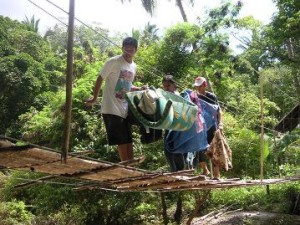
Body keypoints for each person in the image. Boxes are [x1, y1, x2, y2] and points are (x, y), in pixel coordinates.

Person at [85, 37, 145, 162]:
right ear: (122, 48)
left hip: (124, 108)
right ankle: (126, 170)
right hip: (111, 107)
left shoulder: (133, 66)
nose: (129, 51)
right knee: (121, 141)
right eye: (126, 48)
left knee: (128, 140)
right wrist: (95, 98)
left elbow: (127, 85)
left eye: (131, 49)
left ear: (136, 50)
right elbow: (100, 78)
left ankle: (132, 170)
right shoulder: (113, 61)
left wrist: (140, 88)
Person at [193, 76, 223, 176]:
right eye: (197, 86)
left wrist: (220, 124)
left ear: (205, 85)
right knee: (199, 148)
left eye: (200, 86)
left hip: (212, 126)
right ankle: (205, 169)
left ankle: (216, 175)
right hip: (200, 126)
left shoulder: (211, 97)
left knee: (214, 150)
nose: (198, 88)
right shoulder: (194, 97)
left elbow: (219, 111)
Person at [161, 75, 185, 172]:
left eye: (168, 86)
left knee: (174, 149)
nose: (166, 88)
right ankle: (175, 171)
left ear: (174, 85)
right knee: (168, 149)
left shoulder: (177, 96)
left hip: (177, 127)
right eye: (164, 86)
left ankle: (178, 170)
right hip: (168, 126)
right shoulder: (165, 95)